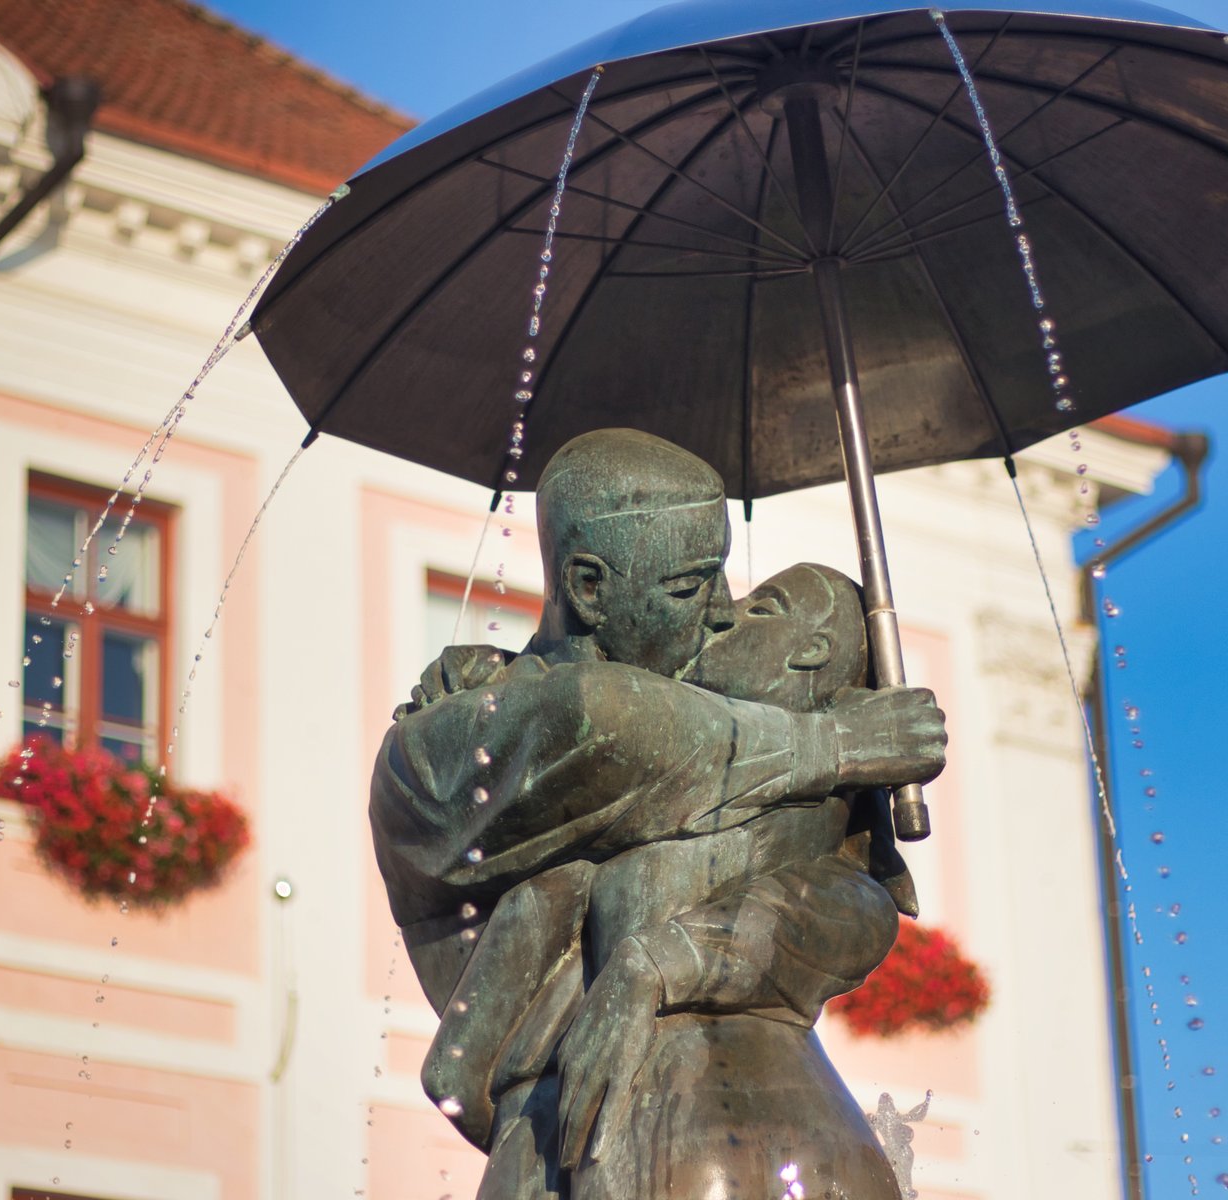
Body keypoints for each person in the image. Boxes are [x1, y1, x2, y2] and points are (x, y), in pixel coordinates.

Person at [368, 429, 944, 1196]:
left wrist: (666, 960)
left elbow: (856, 906)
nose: (722, 612)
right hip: (568, 1148)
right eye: (687, 586)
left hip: (783, 1124)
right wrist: (834, 743)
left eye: (725, 579)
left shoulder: (746, 735)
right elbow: (600, 722)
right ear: (589, 588)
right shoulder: (443, 749)